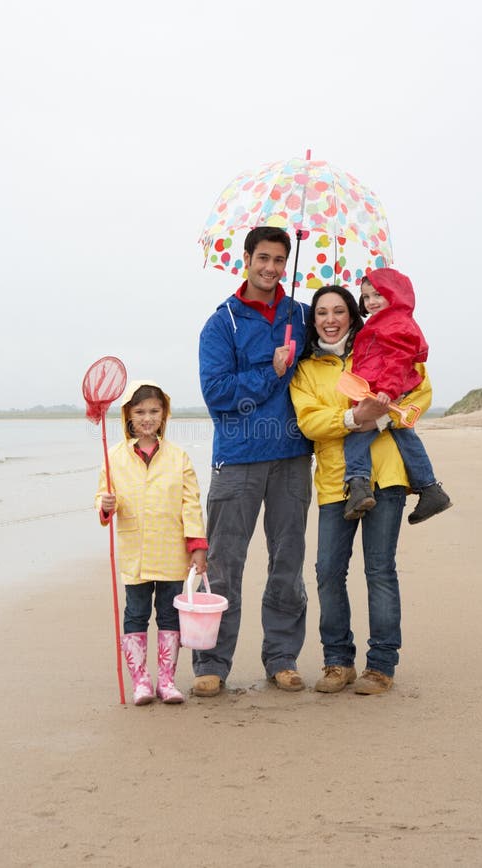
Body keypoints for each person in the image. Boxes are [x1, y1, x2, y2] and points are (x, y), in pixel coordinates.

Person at [290, 285, 432, 695]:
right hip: (336, 483)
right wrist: (352, 418)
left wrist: (381, 419)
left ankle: (381, 666)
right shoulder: (306, 370)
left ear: (353, 315)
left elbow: (420, 390)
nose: (330, 319)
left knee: (380, 570)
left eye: (339, 310)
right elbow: (310, 423)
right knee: (328, 573)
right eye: (321, 313)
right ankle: (338, 662)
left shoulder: (378, 343)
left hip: (385, 476)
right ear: (313, 319)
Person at [192, 226, 313, 698]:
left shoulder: (300, 315)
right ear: (246, 258)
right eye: (263, 257)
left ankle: (282, 658)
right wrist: (271, 370)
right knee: (224, 567)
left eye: (279, 260)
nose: (271, 268)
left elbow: (335, 351)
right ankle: (212, 663)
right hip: (238, 458)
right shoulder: (222, 322)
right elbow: (217, 394)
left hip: (292, 457)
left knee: (288, 561)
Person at [95, 380, 207, 706]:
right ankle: (141, 681)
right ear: (128, 415)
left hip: (172, 551)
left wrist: (197, 545)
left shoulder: (178, 457)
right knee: (136, 613)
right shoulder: (114, 457)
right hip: (136, 552)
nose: (147, 417)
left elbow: (191, 504)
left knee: (170, 616)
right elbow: (103, 500)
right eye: (140, 411)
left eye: (154, 411)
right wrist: (106, 506)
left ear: (164, 414)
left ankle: (167, 681)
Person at [342, 268, 452, 524]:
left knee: (358, 435)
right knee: (403, 433)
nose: (371, 301)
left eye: (378, 294)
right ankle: (429, 487)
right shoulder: (383, 322)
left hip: (388, 392)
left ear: (395, 294)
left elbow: (398, 359)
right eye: (366, 296)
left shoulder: (396, 323)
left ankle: (358, 485)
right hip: (382, 392)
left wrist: (387, 391)